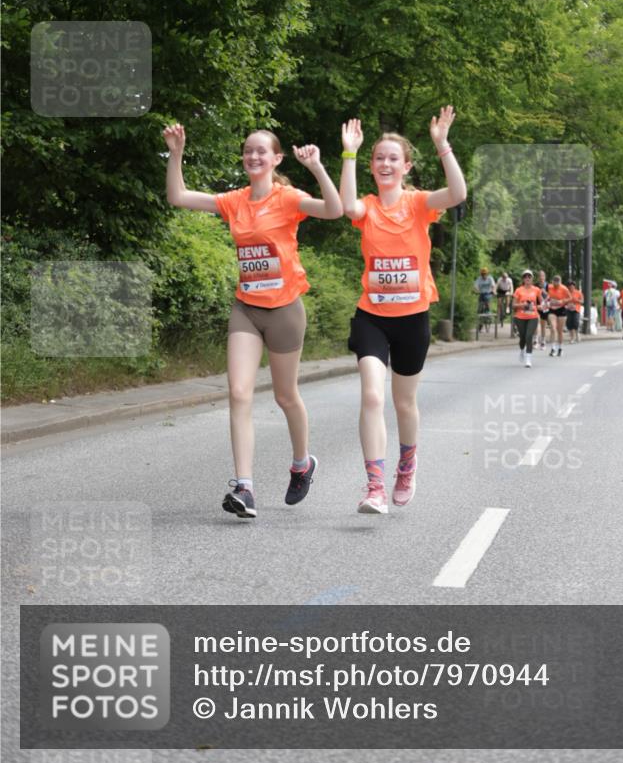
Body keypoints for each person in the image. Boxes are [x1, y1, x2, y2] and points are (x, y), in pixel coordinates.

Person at [163, 123, 342, 519]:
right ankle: (244, 487)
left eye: (262, 151)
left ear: (276, 158)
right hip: (246, 307)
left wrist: (317, 168)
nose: (253, 156)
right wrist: (176, 152)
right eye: (248, 151)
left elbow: (334, 210)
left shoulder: (289, 198)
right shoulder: (234, 201)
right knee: (239, 392)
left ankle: (302, 464)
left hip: (284, 310)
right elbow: (177, 196)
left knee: (285, 396)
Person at [340, 108, 466, 514]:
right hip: (372, 317)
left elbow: (458, 193)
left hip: (412, 318)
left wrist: (442, 144)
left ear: (406, 166)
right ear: (372, 166)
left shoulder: (418, 204)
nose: (385, 164)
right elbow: (346, 206)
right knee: (372, 396)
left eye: (393, 158)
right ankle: (375, 486)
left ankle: (406, 466)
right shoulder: (367, 207)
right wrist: (348, 154)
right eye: (379, 158)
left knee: (404, 403)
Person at [512, 270, 541, 367]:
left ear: (532, 279)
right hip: (520, 317)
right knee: (523, 338)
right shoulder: (518, 290)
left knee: (529, 336)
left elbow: (541, 303)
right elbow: (513, 305)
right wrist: (522, 305)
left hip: (533, 316)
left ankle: (528, 359)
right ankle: (522, 350)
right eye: (525, 276)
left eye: (529, 276)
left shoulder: (536, 290)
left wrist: (541, 307)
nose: (527, 278)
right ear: (523, 279)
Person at [547, 273, 570, 357]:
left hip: (561, 310)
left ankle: (560, 348)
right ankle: (553, 348)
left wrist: (562, 301)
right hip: (552, 309)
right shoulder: (549, 287)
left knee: (560, 330)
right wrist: (547, 301)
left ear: (560, 282)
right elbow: (544, 294)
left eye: (557, 283)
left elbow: (570, 298)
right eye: (554, 282)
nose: (556, 284)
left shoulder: (564, 288)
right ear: (552, 282)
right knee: (553, 328)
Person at [536, 269, 550, 349]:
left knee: (543, 325)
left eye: (543, 276)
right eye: (540, 276)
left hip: (545, 306)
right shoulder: (535, 285)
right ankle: (535, 340)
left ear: (545, 277)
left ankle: (543, 341)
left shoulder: (548, 285)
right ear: (538, 277)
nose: (541, 277)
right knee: (536, 322)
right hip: (537, 306)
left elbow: (551, 296)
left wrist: (544, 292)